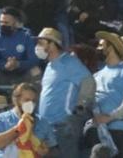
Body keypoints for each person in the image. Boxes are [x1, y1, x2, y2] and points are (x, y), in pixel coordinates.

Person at [35, 27, 92, 158]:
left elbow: (89, 82)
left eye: (41, 42)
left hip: (64, 125)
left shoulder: (69, 62)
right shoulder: (49, 66)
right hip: (48, 128)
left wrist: (80, 107)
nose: (37, 46)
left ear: (53, 44)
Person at [90, 32, 123, 156]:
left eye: (101, 45)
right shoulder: (97, 75)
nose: (98, 49)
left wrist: (110, 117)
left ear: (111, 47)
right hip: (102, 132)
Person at [0, 82, 54, 156]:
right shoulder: (1, 119)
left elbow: (53, 148)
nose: (31, 103)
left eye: (33, 101)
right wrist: (18, 129)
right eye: (27, 100)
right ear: (16, 100)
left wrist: (45, 152)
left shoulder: (42, 122)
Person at [0, 8, 39, 97]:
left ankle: (35, 107)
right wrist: (5, 65)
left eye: (6, 23)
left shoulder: (26, 36)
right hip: (2, 74)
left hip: (21, 74)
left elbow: (34, 60)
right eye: (1, 22)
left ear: (16, 23)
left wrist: (18, 64)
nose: (2, 25)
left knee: (36, 71)